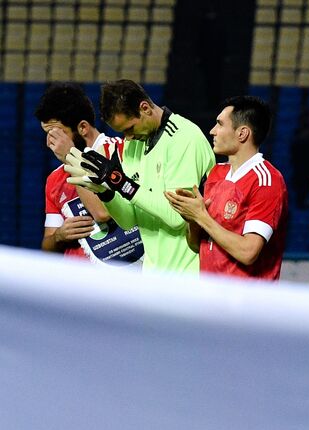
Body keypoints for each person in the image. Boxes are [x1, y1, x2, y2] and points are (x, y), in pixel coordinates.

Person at [63, 79, 214, 273]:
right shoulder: (133, 144)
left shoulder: (184, 138)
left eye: (130, 128)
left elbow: (177, 217)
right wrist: (105, 191)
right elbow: (129, 220)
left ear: (145, 108)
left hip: (188, 275)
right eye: (122, 132)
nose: (128, 137)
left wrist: (123, 183)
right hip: (151, 276)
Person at [165, 96, 288, 281]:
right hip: (211, 296)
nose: (213, 131)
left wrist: (200, 216)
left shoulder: (266, 180)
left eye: (220, 124)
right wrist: (192, 219)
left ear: (242, 134)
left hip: (246, 302)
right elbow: (197, 246)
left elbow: (248, 252)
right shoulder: (216, 173)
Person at [33, 83, 142, 265]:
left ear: (83, 127)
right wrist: (60, 236)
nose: (50, 143)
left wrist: (70, 159)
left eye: (57, 134)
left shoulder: (122, 152)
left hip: (128, 279)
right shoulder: (54, 179)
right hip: (77, 287)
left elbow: (102, 213)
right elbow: (48, 246)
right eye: (48, 135)